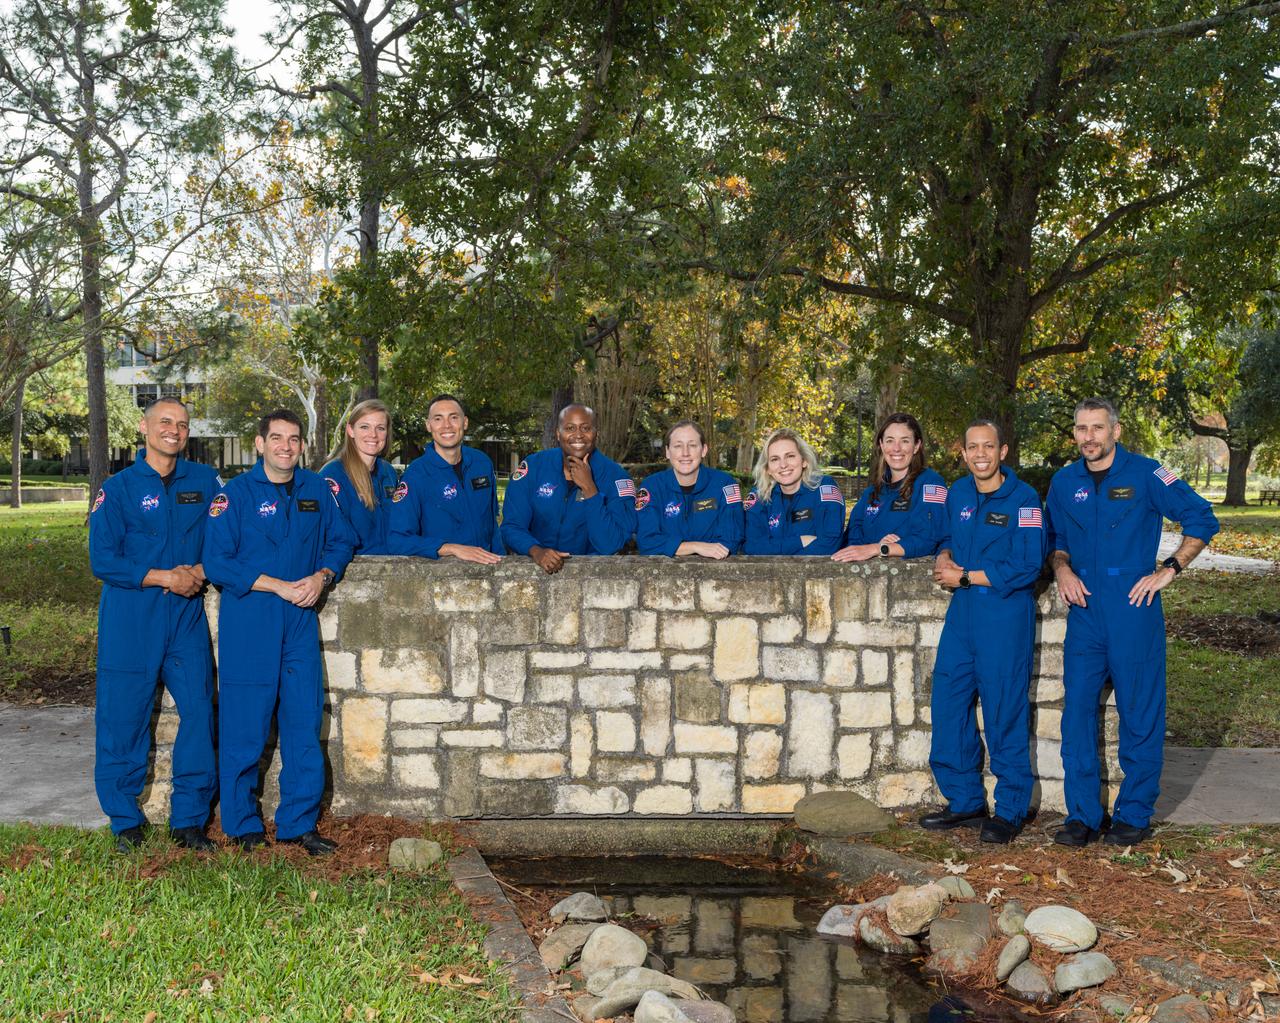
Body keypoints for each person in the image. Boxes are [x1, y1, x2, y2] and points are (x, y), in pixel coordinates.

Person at [1045, 398, 1218, 848]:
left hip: (1132, 610)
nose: (1089, 437)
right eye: (1081, 429)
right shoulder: (1064, 482)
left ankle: (1135, 814)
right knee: (1077, 716)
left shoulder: (1147, 473)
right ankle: (1082, 815)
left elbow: (1202, 517)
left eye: (1097, 428)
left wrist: (1170, 569)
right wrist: (1061, 569)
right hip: (1085, 614)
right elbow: (1057, 540)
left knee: (1140, 715)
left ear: (1115, 431)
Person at [204, 409, 356, 855]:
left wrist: (322, 576)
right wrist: (276, 585)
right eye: (276, 438)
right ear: (259, 443)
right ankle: (243, 825)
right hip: (251, 621)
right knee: (244, 728)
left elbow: (341, 541)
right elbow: (217, 562)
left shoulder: (317, 490)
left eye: (293, 439)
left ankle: (298, 824)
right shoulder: (234, 495)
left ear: (302, 446)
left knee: (303, 724)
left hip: (299, 627)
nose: (285, 446)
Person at [88, 397, 222, 853]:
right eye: (166, 422)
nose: (175, 430)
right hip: (131, 621)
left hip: (185, 622)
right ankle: (125, 820)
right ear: (144, 428)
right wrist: (166, 576)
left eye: (183, 425)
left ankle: (189, 820)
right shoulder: (118, 487)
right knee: (122, 720)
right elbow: (102, 559)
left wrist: (200, 572)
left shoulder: (206, 482)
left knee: (201, 714)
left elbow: (226, 540)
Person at [922, 420, 1046, 844]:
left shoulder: (1025, 500)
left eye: (987, 447)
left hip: (1004, 616)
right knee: (949, 704)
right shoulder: (957, 493)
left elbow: (1029, 565)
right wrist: (944, 556)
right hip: (962, 618)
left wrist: (968, 577)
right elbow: (944, 536)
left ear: (1003, 451)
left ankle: (1010, 809)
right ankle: (965, 801)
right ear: (964, 452)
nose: (980, 454)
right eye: (972, 447)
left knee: (1003, 710)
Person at [500, 403, 637, 574]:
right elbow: (511, 526)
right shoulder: (533, 467)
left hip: (590, 576)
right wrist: (535, 551)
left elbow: (611, 544)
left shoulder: (617, 478)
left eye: (586, 428)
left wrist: (590, 490)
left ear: (596, 434)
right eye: (570, 428)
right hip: (535, 572)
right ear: (558, 433)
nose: (578, 435)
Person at [387, 393, 502, 563]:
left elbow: (492, 525)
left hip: (486, 572)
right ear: (429, 425)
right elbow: (397, 540)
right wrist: (450, 548)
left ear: (465, 422)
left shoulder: (482, 463)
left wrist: (501, 562)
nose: (447, 425)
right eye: (438, 419)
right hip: (442, 576)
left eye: (453, 417)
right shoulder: (416, 475)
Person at [833, 412, 949, 563]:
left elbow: (929, 539)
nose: (896, 448)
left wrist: (879, 548)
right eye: (890, 441)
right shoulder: (871, 493)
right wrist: (878, 546)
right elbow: (852, 540)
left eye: (905, 441)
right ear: (881, 445)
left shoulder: (931, 484)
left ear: (916, 446)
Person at [635, 420, 744, 558]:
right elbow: (646, 542)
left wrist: (671, 547)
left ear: (704, 450)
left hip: (714, 570)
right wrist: (695, 546)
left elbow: (732, 539)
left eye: (692, 445)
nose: (685, 453)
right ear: (668, 452)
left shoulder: (726, 485)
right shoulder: (651, 487)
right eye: (678, 446)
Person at [743, 428, 846, 555]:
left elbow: (830, 544)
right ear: (768, 468)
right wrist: (799, 541)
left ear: (804, 461)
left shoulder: (824, 487)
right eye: (775, 459)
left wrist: (776, 552)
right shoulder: (759, 496)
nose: (783, 465)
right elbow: (751, 546)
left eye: (790, 456)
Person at [320, 398, 399, 555]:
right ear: (350, 430)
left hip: (393, 566)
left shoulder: (388, 472)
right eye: (364, 427)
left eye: (380, 428)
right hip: (355, 571)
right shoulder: (333, 475)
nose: (373, 435)